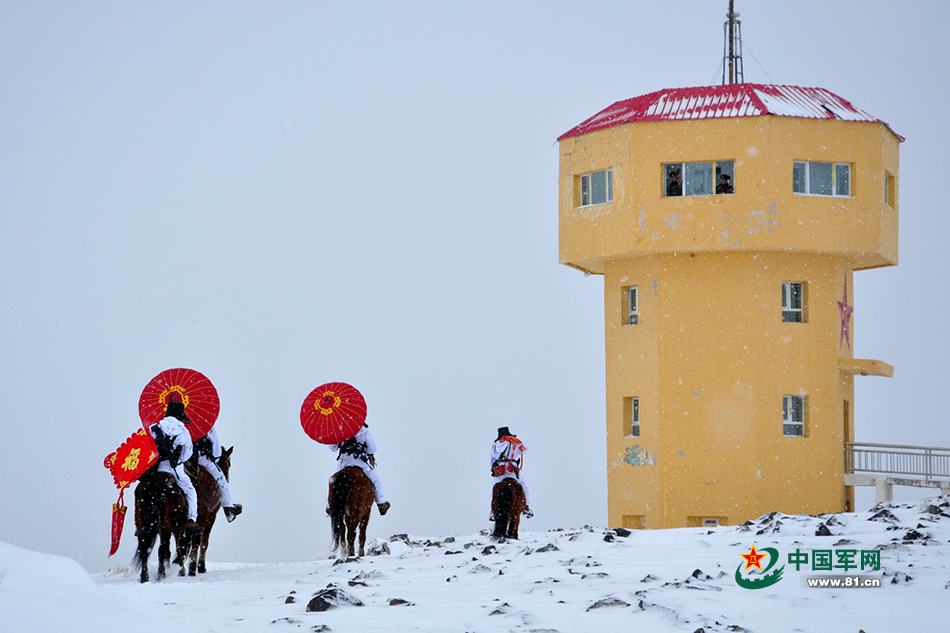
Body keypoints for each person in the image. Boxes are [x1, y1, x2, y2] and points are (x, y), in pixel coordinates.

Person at [149, 400, 200, 534]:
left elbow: (146, 449)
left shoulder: (154, 428)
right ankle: (191, 519)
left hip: (157, 469)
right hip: (174, 469)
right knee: (190, 491)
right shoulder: (183, 432)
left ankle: (140, 524)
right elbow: (187, 454)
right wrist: (178, 461)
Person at [328, 423, 390, 515]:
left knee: (333, 480)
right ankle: (381, 504)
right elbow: (372, 449)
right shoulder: (364, 430)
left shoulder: (340, 430)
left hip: (344, 462)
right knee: (376, 480)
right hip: (360, 463)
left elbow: (332, 448)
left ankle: (331, 506)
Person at [194, 426, 243, 522]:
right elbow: (216, 454)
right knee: (221, 479)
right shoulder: (208, 428)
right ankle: (228, 508)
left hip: (183, 461)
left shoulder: (180, 426)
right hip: (203, 460)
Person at [490, 426, 533, 519]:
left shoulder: (496, 444)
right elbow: (524, 450)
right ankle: (526, 506)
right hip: (512, 469)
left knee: (494, 489)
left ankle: (493, 511)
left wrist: (492, 469)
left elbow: (493, 457)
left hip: (500, 471)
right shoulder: (514, 442)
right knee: (523, 487)